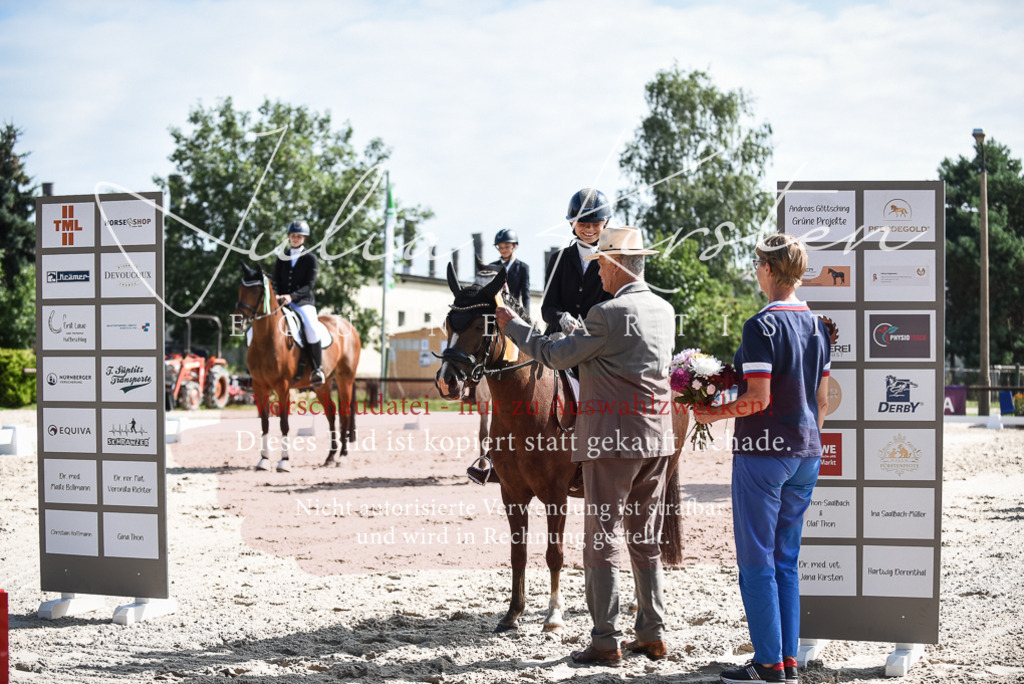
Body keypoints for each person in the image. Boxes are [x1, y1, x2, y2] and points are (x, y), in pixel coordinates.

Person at [496, 226, 676, 667]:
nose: (597, 269)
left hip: (612, 440)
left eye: (601, 263)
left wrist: (512, 327)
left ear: (616, 265)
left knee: (602, 539)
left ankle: (604, 640)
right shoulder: (664, 309)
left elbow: (553, 357)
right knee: (645, 536)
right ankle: (652, 633)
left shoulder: (607, 314)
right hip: (656, 439)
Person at [693, 233, 830, 684]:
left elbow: (756, 399)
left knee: (756, 562)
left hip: (763, 454)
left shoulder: (760, 325)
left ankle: (769, 664)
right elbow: (823, 401)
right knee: (786, 561)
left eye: (758, 265)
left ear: (769, 270)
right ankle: (787, 660)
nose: (756, 272)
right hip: (807, 452)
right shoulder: (817, 325)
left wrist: (711, 412)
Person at [540, 188, 613, 335]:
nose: (589, 228)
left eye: (595, 223)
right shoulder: (558, 260)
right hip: (558, 337)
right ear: (572, 223)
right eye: (582, 222)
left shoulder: (612, 261)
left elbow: (612, 307)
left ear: (605, 222)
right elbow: (547, 308)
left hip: (596, 339)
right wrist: (561, 318)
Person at [273, 220, 324, 386]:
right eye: (293, 235)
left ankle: (317, 369)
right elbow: (275, 281)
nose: (295, 238)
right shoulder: (282, 257)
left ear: (304, 238)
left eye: (299, 236)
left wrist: (292, 296)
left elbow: (309, 285)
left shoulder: (310, 258)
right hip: (282, 303)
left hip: (303, 302)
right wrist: (278, 295)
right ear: (289, 237)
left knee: (311, 327)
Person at [490, 228, 530, 314]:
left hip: (513, 311)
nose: (503, 250)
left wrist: (527, 315)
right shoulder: (492, 266)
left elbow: (525, 295)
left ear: (514, 246)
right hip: (494, 311)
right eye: (500, 247)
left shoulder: (523, 267)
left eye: (506, 247)